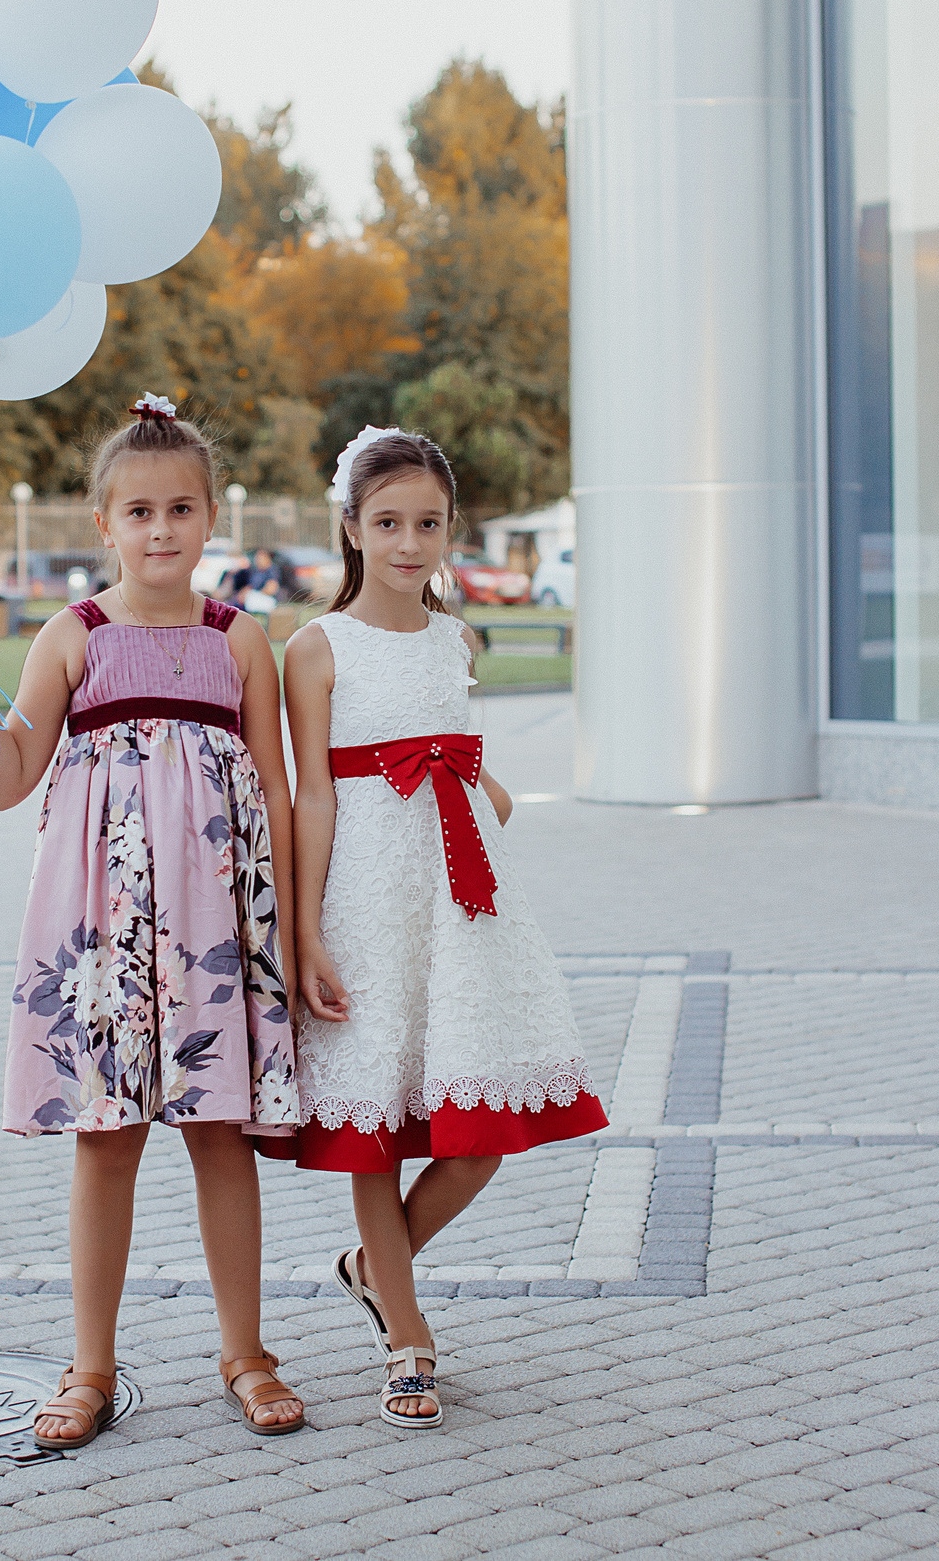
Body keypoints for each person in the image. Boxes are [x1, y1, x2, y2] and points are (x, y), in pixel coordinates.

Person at [0, 395, 308, 1448]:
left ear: (211, 517)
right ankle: (89, 1364)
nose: (159, 530)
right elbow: (8, 781)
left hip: (214, 935)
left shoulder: (241, 641)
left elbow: (275, 794)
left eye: (180, 508)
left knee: (219, 1134)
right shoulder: (73, 636)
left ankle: (246, 1351)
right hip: (104, 936)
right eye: (137, 511)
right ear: (102, 523)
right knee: (106, 1141)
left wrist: (290, 930)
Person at [279, 425, 610, 1430]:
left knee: (479, 1135)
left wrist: (485, 802)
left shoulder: (456, 639)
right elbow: (314, 801)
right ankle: (408, 1338)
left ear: (450, 529)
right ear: (350, 528)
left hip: (462, 909)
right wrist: (306, 933)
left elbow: (463, 761)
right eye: (386, 523)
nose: (408, 542)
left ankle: (372, 1269)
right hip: (365, 906)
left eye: (427, 523)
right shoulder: (314, 649)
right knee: (374, 1130)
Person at [234, 547, 280, 618]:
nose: (258, 560)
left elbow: (271, 588)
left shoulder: (272, 571)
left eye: (260, 558)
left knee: (248, 600)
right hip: (252, 597)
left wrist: (253, 594)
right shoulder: (257, 571)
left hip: (266, 599)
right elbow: (251, 586)